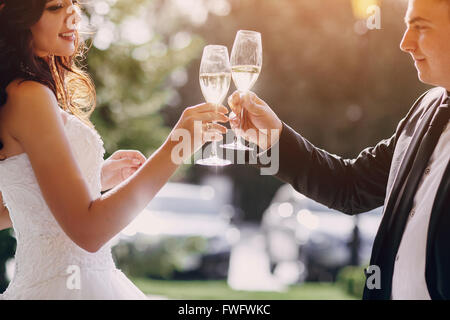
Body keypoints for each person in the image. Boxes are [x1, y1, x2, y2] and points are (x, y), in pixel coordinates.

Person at [0, 0, 228, 299]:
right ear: (18, 17)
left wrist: (95, 180)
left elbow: (13, 208)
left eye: (73, 3)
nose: (73, 14)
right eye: (55, 6)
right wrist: (177, 145)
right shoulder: (30, 96)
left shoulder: (14, 93)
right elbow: (89, 232)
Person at [228, 0, 450, 300]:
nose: (404, 43)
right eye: (407, 25)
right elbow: (351, 186)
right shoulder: (426, 109)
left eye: (420, 27)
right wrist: (273, 138)